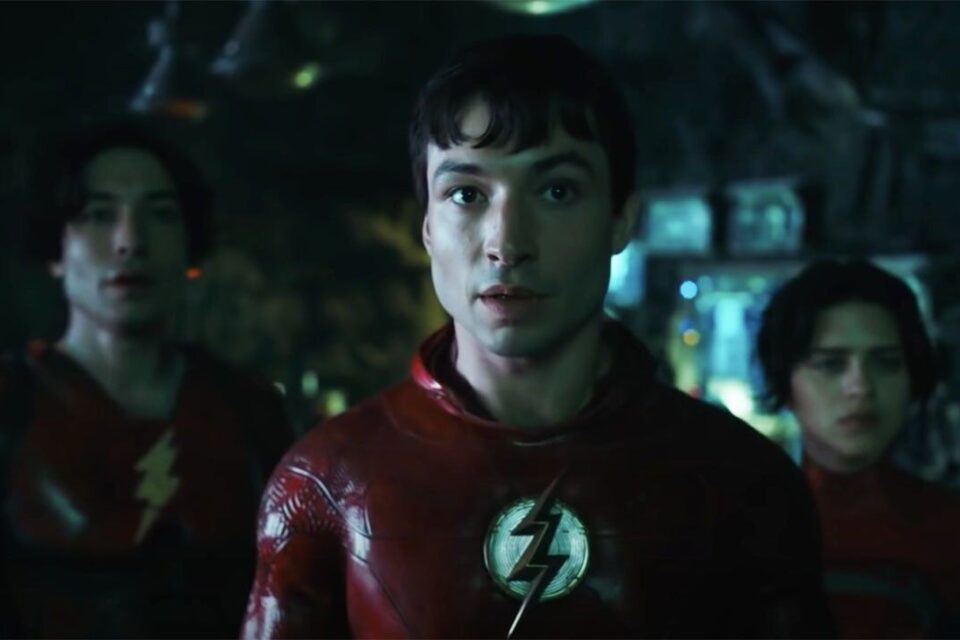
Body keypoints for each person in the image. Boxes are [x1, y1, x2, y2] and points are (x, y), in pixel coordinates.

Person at [243, 35, 833, 638]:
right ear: (427, 228)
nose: (507, 242)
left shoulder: (742, 481)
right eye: (467, 194)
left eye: (557, 191)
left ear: (620, 219)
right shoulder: (325, 480)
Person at [0, 122, 293, 637]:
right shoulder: (12, 400)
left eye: (160, 214)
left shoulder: (249, 410)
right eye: (98, 214)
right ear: (56, 248)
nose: (130, 241)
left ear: (188, 244)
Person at [757, 259, 960, 638]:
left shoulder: (947, 528)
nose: (861, 387)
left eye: (887, 363)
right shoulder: (739, 524)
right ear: (786, 381)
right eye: (830, 364)